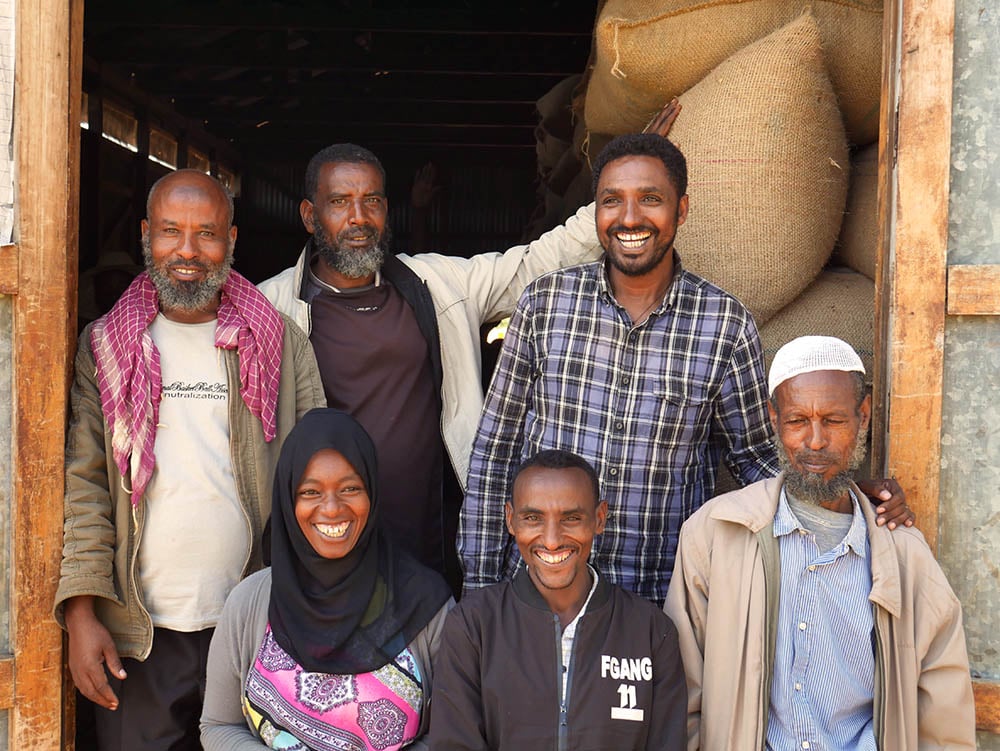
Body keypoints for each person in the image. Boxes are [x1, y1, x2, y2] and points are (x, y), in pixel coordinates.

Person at [461, 133, 912, 604]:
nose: (630, 218)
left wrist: (846, 498)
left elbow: (757, 461)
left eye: (651, 200)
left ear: (681, 210)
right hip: (536, 591)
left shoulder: (723, 324)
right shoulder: (545, 304)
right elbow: (495, 452)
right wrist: (479, 591)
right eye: (612, 201)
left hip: (658, 599)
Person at [256, 131, 625, 591]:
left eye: (371, 201)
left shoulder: (437, 284)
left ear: (387, 210)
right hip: (326, 538)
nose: (358, 218)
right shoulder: (269, 309)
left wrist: (618, 193)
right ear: (310, 216)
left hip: (429, 538)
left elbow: (533, 264)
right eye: (339, 202)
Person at [54, 169, 326, 750]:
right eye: (171, 231)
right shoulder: (105, 345)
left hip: (253, 622)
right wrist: (81, 615)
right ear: (146, 235)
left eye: (206, 233)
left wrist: (311, 610)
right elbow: (84, 486)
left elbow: (315, 483)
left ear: (231, 240)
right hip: (139, 634)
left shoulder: (279, 340)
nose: (187, 251)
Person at [664, 336, 976, 750]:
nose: (814, 441)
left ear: (862, 417)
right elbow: (684, 692)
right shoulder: (714, 535)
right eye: (797, 421)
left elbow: (943, 714)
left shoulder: (905, 556)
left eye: (833, 420)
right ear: (774, 419)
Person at [201, 409, 453, 750]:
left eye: (350, 488)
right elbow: (218, 726)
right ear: (288, 502)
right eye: (311, 492)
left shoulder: (427, 606)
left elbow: (452, 735)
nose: (332, 508)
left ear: (373, 494)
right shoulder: (249, 603)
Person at [428, 449, 685, 750]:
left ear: (599, 518)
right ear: (511, 520)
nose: (551, 539)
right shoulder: (473, 626)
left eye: (571, 518)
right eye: (533, 518)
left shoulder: (651, 632)